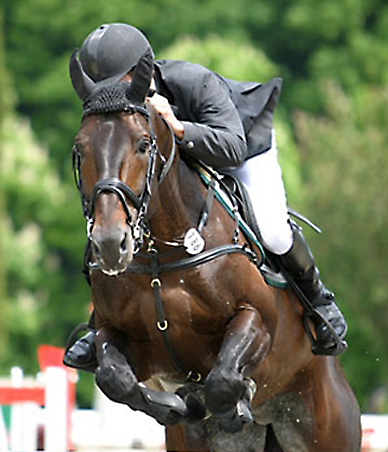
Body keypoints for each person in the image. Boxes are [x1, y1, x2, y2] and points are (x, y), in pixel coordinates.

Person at [64, 22, 347, 371]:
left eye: (117, 85)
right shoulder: (118, 113)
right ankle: (101, 327)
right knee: (113, 215)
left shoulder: (193, 81)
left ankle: (319, 302)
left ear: (140, 74)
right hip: (174, 164)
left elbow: (232, 147)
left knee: (272, 230)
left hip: (241, 146)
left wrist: (179, 128)